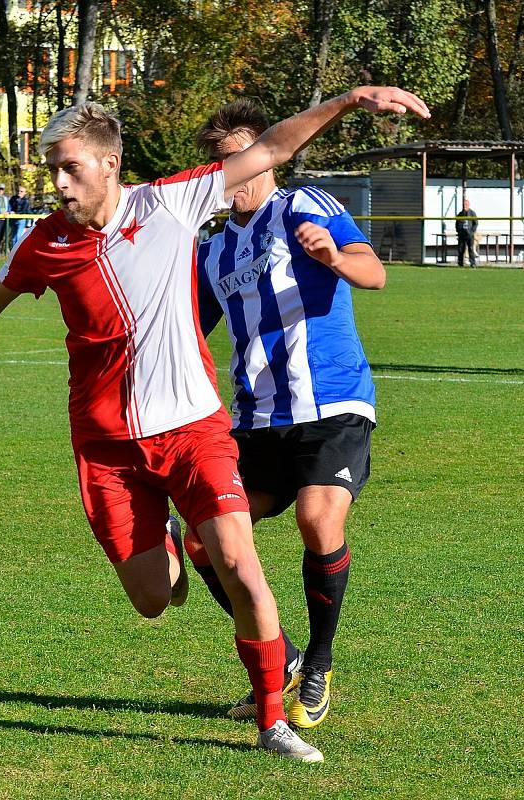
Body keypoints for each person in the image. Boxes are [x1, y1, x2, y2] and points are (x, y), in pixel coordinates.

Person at [0, 88, 428, 762]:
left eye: (69, 168)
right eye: (51, 170)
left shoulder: (170, 202)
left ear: (110, 166)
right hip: (107, 448)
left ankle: (272, 720)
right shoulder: (45, 242)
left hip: (194, 433)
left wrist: (350, 100)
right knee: (153, 598)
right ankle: (171, 550)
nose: (57, 183)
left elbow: (273, 147)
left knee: (239, 563)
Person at [186, 98, 388, 732]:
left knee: (316, 515)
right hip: (257, 420)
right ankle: (288, 660)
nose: (240, 172)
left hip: (332, 401)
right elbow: (186, 328)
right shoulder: (212, 252)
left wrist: (331, 257)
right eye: (226, 163)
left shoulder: (304, 205)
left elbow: (373, 273)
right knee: (201, 541)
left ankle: (319, 668)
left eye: (248, 158)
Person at [456, 198, 478, 268]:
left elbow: (475, 223)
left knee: (470, 249)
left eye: (466, 204)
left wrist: (472, 231)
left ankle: (473, 263)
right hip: (462, 234)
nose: (464, 206)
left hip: (469, 235)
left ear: (468, 205)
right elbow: (457, 223)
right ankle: (460, 262)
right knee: (461, 249)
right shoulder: (460, 214)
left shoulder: (472, 213)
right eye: (464, 205)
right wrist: (458, 231)